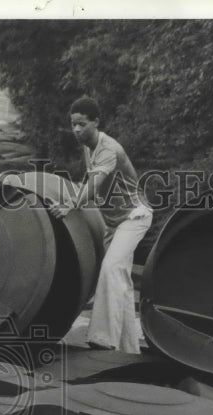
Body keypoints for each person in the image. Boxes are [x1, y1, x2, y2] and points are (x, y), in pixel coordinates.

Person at [48, 96, 152, 353]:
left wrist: (70, 205)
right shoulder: (88, 147)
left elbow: (93, 186)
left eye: (82, 124)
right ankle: (129, 349)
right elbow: (91, 186)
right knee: (122, 282)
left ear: (96, 122)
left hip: (134, 217)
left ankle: (103, 339)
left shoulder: (108, 149)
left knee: (111, 268)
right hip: (112, 223)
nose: (76, 130)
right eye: (73, 124)